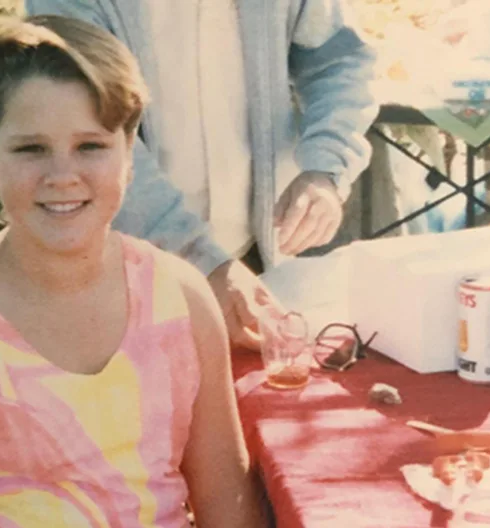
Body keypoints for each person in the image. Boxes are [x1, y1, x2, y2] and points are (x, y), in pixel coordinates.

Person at [0, 14, 268, 528]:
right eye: (31, 149)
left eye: (90, 146)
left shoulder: (181, 298)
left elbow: (228, 506)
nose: (62, 175)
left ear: (130, 158)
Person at [24, 0, 380, 350]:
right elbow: (85, 126)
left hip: (258, 254)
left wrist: (326, 169)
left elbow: (339, 59)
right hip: (121, 262)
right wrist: (202, 258)